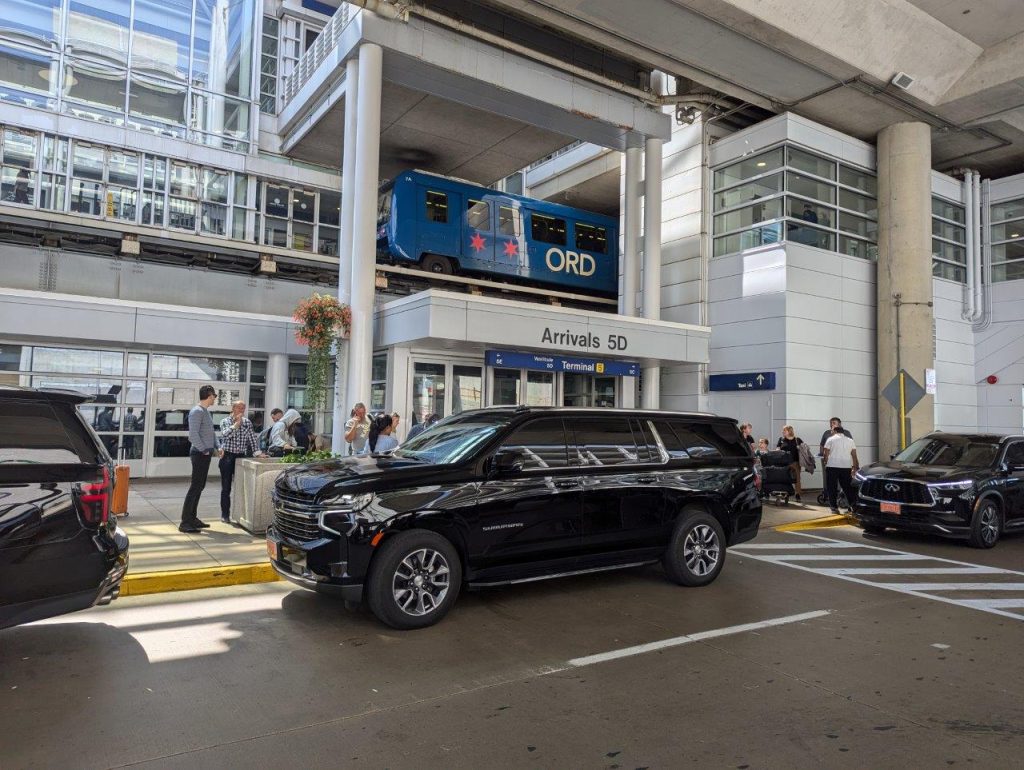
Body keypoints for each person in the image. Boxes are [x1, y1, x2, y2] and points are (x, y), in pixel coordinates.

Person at [180, 385, 219, 533]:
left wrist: (217, 446)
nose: (215, 398)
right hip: (199, 454)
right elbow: (193, 435)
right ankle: (185, 522)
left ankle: (192, 518)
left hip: (206, 453)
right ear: (209, 396)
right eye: (214, 396)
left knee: (200, 487)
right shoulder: (196, 411)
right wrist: (204, 450)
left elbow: (211, 433)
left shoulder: (205, 412)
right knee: (195, 487)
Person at [218, 400, 261, 524]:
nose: (241, 410)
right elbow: (225, 435)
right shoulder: (225, 421)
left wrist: (258, 453)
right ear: (233, 408)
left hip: (241, 457)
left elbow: (252, 439)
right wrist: (235, 425)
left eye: (243, 408)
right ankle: (225, 514)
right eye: (239, 408)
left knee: (242, 487)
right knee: (226, 488)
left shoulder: (247, 422)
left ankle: (240, 514)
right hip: (227, 457)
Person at [823, 424, 859, 515]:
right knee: (847, 487)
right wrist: (854, 467)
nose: (831, 432)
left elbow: (825, 453)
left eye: (832, 430)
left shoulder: (830, 439)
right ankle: (853, 506)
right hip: (846, 467)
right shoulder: (850, 441)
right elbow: (854, 455)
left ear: (835, 431)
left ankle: (834, 508)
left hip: (832, 466)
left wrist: (825, 462)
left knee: (832, 487)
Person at [776, 425, 805, 502]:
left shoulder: (797, 440)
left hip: (795, 462)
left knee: (797, 479)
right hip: (784, 463)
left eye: (784, 430)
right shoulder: (781, 440)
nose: (782, 432)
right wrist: (778, 450)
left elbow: (804, 450)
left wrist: (800, 448)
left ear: (789, 431)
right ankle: (785, 493)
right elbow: (777, 449)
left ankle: (797, 494)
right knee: (784, 478)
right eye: (783, 431)